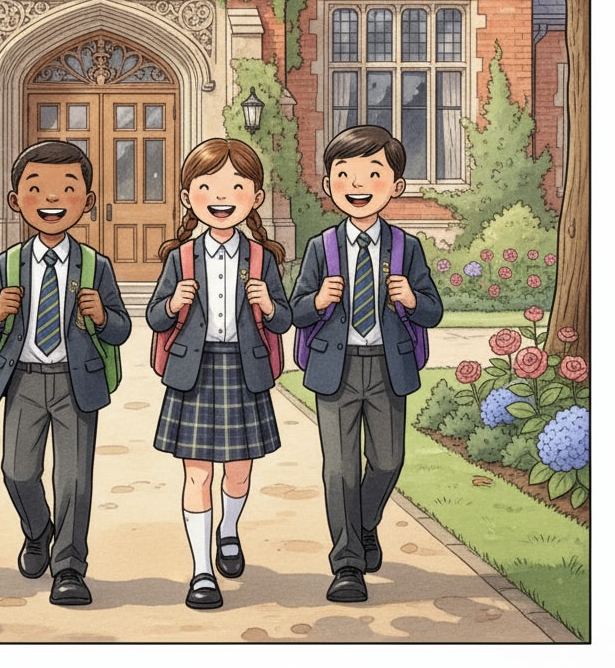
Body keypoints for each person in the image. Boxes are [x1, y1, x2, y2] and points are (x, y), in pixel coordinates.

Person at [0, 140, 131, 606]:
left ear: (88, 201)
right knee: (17, 471)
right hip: (23, 379)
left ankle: (70, 568)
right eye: (36, 189)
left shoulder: (95, 266)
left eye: (67, 188)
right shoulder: (7, 264)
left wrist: (102, 315)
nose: (52, 200)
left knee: (74, 480)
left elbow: (120, 329)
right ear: (16, 201)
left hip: (75, 381)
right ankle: (38, 530)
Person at [289, 125, 443, 603]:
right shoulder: (322, 247)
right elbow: (293, 310)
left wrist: (412, 298)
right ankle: (347, 564)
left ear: (395, 186)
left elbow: (433, 311)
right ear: (330, 184)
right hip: (334, 370)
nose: (358, 185)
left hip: (387, 368)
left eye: (372, 173)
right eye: (345, 174)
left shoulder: (406, 248)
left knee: (388, 460)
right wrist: (316, 300)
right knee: (338, 469)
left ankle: (363, 522)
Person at [146, 138, 291, 610]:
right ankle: (201, 569)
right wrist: (173, 303)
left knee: (239, 474)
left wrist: (269, 304)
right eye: (207, 185)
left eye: (236, 185)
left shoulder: (262, 259)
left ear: (255, 197)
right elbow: (155, 317)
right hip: (196, 370)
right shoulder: (180, 258)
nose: (222, 196)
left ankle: (228, 528)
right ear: (189, 196)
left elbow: (285, 319)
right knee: (197, 474)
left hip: (244, 370)